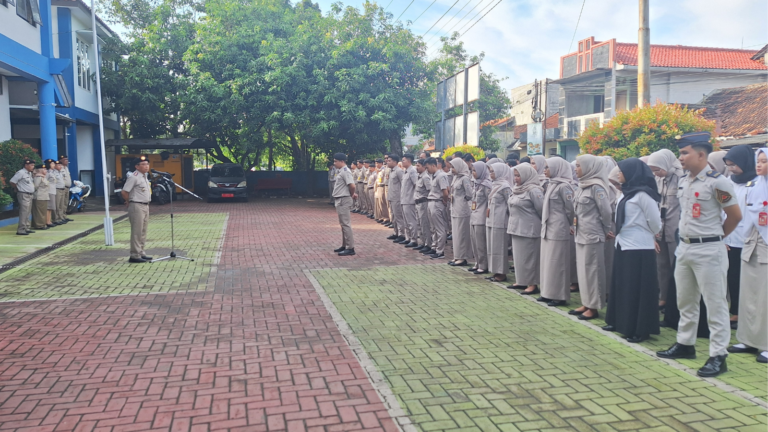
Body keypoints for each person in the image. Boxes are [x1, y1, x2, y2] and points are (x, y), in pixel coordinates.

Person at [657, 132, 742, 378]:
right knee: (685, 300)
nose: (680, 157)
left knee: (715, 304)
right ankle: (685, 343)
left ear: (701, 154)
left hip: (708, 249)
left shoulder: (718, 183)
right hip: (685, 247)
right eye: (680, 153)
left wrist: (717, 237)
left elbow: (735, 215)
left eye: (685, 153)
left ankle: (718, 355)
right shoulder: (685, 181)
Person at [603, 158, 662, 342]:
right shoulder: (625, 193)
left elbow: (655, 222)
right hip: (623, 244)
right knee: (622, 285)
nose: (619, 174)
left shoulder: (643, 195)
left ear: (632, 173)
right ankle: (619, 321)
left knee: (637, 289)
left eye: (621, 171)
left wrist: (648, 234)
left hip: (639, 246)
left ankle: (639, 328)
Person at [728, 147, 767, 363]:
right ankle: (748, 338)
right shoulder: (749, 185)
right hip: (748, 242)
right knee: (748, 293)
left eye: (764, 161)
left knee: (764, 296)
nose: (759, 165)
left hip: (765, 243)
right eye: (758, 161)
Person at [570, 155, 613, 320]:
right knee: (583, 270)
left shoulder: (597, 187)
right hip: (581, 233)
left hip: (592, 234)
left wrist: (605, 230)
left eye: (579, 166)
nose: (576, 169)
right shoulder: (582, 185)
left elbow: (606, 212)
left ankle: (594, 306)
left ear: (589, 167)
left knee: (593, 271)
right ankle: (586, 302)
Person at [722, 145, 758, 330]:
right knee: (733, 276)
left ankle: (751, 314)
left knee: (751, 279)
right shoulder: (727, 183)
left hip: (752, 238)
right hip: (730, 238)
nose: (731, 169)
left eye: (734, 165)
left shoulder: (759, 182)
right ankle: (735, 311)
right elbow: (720, 208)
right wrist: (722, 236)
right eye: (728, 165)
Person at [647, 149, 683, 310]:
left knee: (677, 266)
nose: (656, 173)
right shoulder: (657, 179)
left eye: (658, 169)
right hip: (660, 228)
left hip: (676, 229)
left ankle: (676, 300)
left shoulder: (681, 178)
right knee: (661, 266)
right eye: (653, 170)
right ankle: (664, 297)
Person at [538, 157, 575, 306]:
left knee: (557, 262)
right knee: (548, 262)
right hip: (548, 227)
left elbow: (570, 209)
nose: (545, 170)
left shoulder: (564, 186)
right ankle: (548, 293)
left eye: (547, 167)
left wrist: (570, 224)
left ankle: (559, 295)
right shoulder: (552, 184)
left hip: (558, 227)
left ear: (557, 168)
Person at [507, 163, 544, 294]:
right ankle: (521, 280)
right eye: (515, 175)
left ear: (527, 175)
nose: (516, 178)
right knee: (519, 257)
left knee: (530, 258)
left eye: (518, 176)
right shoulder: (517, 189)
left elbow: (541, 210)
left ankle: (532, 284)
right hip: (516, 228)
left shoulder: (534, 190)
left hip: (529, 229)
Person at [121, 156, 154, 263]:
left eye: (147, 164)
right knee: (137, 231)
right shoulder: (134, 177)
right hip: (136, 205)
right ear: (137, 166)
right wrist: (128, 201)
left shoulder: (144, 176)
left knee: (143, 231)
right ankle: (134, 255)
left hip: (145, 205)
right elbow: (124, 192)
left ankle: (141, 252)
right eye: (143, 164)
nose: (146, 166)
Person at [486, 163, 512, 282]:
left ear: (500, 171)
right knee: (492, 247)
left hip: (500, 221)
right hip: (491, 220)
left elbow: (509, 204)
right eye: (490, 171)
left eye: (493, 171)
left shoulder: (505, 187)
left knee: (500, 248)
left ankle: (502, 273)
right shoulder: (494, 184)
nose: (491, 173)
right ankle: (495, 271)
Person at [329, 153, 357, 256]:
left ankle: (350, 248)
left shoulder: (345, 171)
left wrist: (352, 194)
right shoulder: (341, 171)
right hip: (340, 199)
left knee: (346, 224)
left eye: (336, 161)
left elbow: (352, 186)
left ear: (342, 161)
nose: (334, 163)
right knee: (343, 224)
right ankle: (345, 245)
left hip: (343, 199)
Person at [448, 157, 473, 266]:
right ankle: (457, 256)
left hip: (462, 209)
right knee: (456, 234)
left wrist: (462, 201)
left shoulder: (465, 178)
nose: (451, 169)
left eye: (453, 167)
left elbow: (469, 194)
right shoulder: (455, 178)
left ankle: (462, 258)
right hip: (454, 208)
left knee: (462, 234)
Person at [469, 161, 491, 274]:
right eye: (472, 170)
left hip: (481, 217)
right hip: (473, 215)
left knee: (481, 243)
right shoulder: (475, 183)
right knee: (474, 242)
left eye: (475, 171)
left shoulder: (486, 185)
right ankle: (477, 263)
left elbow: (490, 201)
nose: (473, 173)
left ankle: (483, 265)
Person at [426, 157, 449, 259]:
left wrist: (444, 201)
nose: (427, 170)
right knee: (433, 228)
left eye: (427, 167)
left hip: (437, 202)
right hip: (431, 202)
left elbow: (445, 192)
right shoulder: (433, 176)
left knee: (440, 228)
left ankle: (440, 251)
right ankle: (434, 247)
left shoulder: (441, 176)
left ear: (433, 165)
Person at [9, 158, 36, 235]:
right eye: (31, 165)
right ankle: (21, 229)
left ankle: (27, 227)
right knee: (24, 212)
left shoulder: (29, 173)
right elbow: (12, 181)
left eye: (33, 165)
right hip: (23, 194)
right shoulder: (21, 173)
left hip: (30, 194)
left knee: (28, 212)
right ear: (26, 165)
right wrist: (17, 188)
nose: (33, 167)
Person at [400, 154, 420, 248]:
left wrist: (415, 197)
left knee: (411, 221)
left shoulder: (412, 171)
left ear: (409, 161)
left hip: (410, 200)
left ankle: (414, 239)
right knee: (406, 221)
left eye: (403, 160)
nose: (402, 162)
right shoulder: (406, 171)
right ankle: (408, 238)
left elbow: (416, 185)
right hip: (404, 199)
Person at [414, 159, 433, 253]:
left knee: (425, 224)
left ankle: (428, 244)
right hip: (417, 203)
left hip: (423, 203)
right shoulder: (419, 177)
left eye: (418, 166)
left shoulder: (425, 177)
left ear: (424, 167)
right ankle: (422, 242)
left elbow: (430, 190)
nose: (416, 167)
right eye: (416, 165)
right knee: (419, 224)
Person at [386, 155, 406, 243]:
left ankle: (402, 234)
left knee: (398, 216)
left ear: (395, 162)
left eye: (389, 161)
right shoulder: (391, 171)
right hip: (391, 196)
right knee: (393, 216)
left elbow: (403, 184)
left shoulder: (399, 171)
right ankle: (396, 232)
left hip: (397, 197)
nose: (387, 162)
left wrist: (402, 196)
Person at [32, 164, 50, 230]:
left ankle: (42, 224)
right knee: (39, 212)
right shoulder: (38, 177)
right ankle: (39, 225)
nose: (46, 170)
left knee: (43, 211)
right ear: (40, 170)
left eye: (46, 169)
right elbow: (35, 187)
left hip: (44, 196)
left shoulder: (43, 177)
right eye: (44, 169)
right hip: (39, 196)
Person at [59, 155, 73, 222]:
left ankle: (64, 216)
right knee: (61, 203)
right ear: (60, 160)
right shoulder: (60, 168)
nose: (66, 161)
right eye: (65, 159)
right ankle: (60, 217)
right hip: (63, 187)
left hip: (67, 188)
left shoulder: (66, 168)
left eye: (67, 159)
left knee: (65, 203)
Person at [45, 159, 58, 227]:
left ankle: (49, 220)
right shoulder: (47, 172)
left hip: (53, 191)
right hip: (49, 191)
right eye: (52, 164)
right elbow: (45, 181)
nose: (54, 165)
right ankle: (47, 221)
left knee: (51, 207)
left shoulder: (52, 172)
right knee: (48, 207)